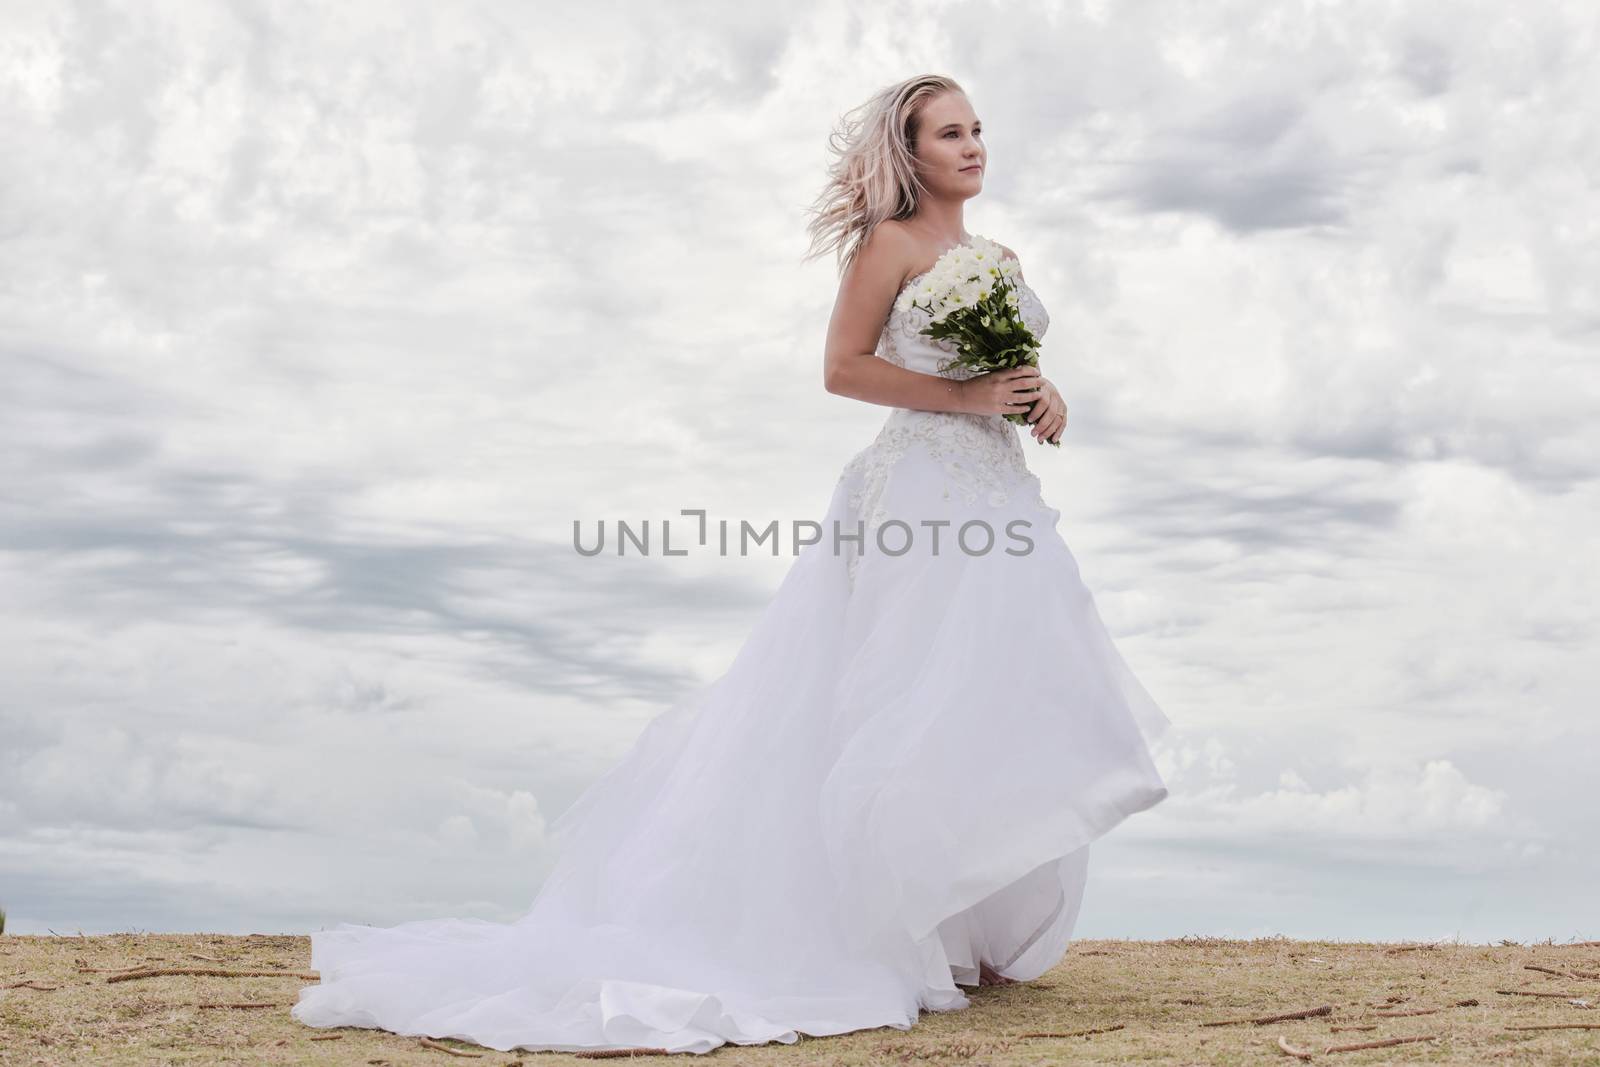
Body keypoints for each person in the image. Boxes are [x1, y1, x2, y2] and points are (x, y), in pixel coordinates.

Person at [291, 72, 1171, 1057]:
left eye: (977, 130)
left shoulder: (996, 256)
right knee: (899, 697)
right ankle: (884, 929)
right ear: (909, 153)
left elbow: (1002, 372)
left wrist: (1039, 400)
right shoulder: (888, 245)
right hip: (917, 494)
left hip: (998, 491)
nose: (971, 147)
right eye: (948, 134)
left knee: (999, 693)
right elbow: (842, 367)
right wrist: (968, 400)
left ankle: (964, 923)